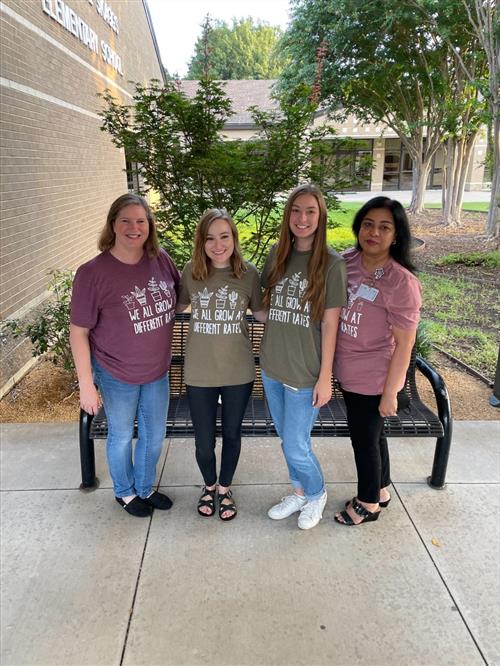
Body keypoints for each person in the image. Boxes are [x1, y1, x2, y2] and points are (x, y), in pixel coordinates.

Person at [70, 194, 179, 518]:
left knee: (154, 436)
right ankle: (125, 492)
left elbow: (179, 297)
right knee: (120, 436)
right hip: (116, 373)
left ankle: (145, 487)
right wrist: (86, 384)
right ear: (113, 225)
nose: (134, 228)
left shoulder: (160, 259)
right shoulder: (92, 273)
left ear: (150, 226)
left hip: (157, 371)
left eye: (141, 221)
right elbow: (79, 331)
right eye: (126, 221)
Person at [260, 184, 347, 530]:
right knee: (289, 440)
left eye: (310, 211)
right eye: (296, 210)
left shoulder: (332, 264)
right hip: (272, 366)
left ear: (321, 216)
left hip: (305, 373)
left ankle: (316, 492)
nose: (302, 218)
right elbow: (262, 300)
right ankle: (299, 491)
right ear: (288, 216)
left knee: (297, 446)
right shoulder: (277, 255)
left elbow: (330, 324)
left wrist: (325, 376)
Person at [333, 196, 421, 526]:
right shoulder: (346, 262)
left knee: (363, 441)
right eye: (368, 224)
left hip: (374, 378)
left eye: (385, 227)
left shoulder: (401, 282)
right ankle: (382, 489)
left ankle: (367, 504)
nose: (374, 232)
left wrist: (390, 392)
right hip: (348, 372)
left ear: (396, 235)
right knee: (374, 436)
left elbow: (404, 345)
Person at [176, 208, 265, 521]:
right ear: (201, 242)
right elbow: (174, 304)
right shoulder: (191, 272)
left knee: (231, 433)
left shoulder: (249, 274)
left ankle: (224, 488)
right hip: (199, 371)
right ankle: (209, 485)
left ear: (234, 239)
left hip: (237, 371)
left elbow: (263, 315)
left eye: (224, 236)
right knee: (203, 440)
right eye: (210, 238)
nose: (217, 244)